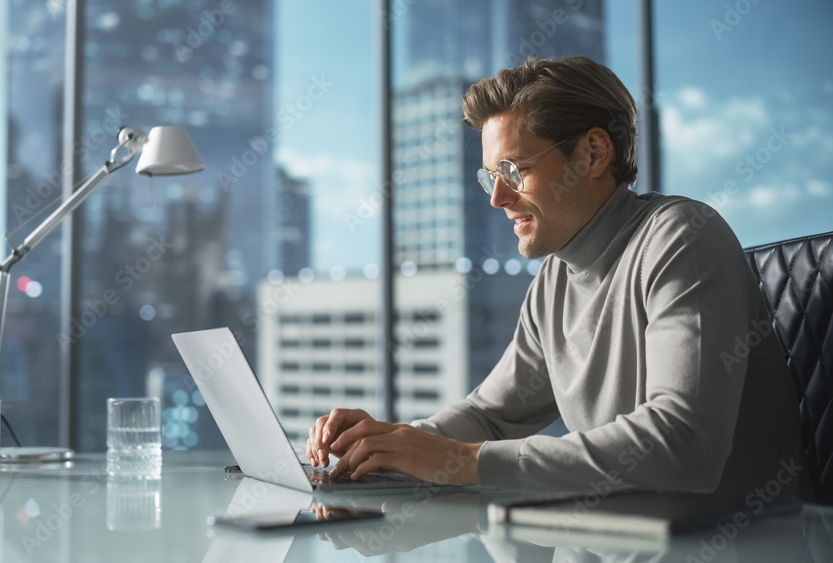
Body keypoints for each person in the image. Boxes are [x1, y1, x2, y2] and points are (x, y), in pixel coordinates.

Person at [306, 56, 806, 497]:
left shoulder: (681, 238)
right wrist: (390, 444)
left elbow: (683, 446)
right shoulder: (554, 279)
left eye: (513, 169)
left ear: (592, 152)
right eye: (489, 176)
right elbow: (491, 415)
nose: (496, 198)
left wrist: (456, 461)